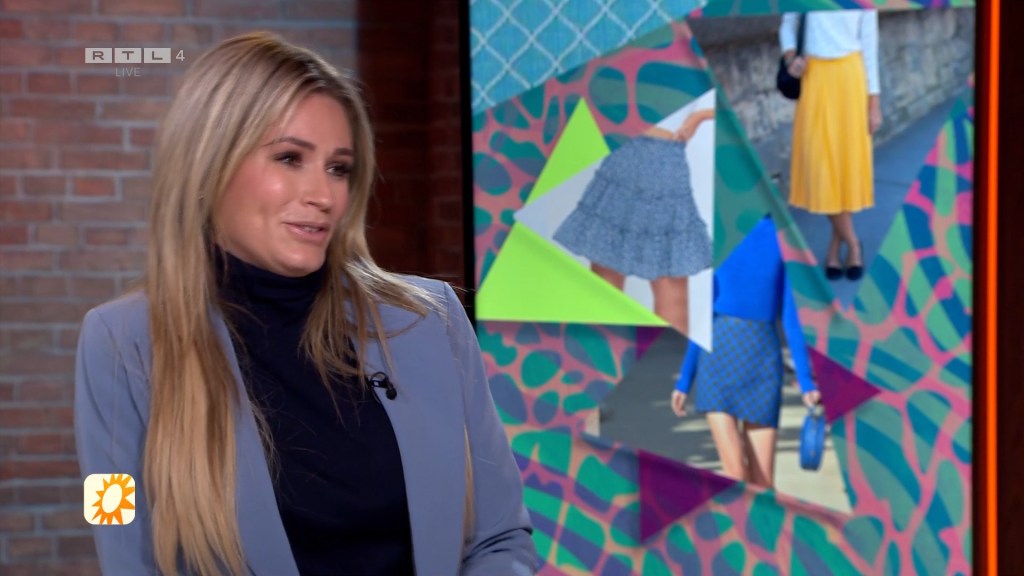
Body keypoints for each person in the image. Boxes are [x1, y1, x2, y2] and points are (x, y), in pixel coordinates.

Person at [74, 32, 537, 576]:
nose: (323, 195)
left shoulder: (431, 319)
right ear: (209, 164)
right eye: (290, 158)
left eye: (338, 168)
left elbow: (503, 538)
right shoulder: (117, 343)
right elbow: (116, 535)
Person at [670, 215, 819, 487]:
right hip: (717, 361)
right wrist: (685, 379)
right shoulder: (716, 228)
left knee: (762, 484)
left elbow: (791, 317)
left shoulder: (785, 235)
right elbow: (702, 313)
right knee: (736, 476)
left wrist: (806, 381)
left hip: (762, 366)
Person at [553, 108, 715, 334]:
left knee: (669, 303)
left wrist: (699, 117)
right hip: (625, 154)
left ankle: (667, 357)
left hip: (664, 160)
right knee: (604, 296)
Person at [780, 10, 882, 281]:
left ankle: (835, 247)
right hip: (813, 77)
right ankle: (854, 243)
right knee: (819, 167)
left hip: (850, 79)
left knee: (844, 166)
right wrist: (790, 58)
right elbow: (789, 23)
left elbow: (870, 44)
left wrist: (874, 103)